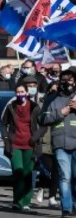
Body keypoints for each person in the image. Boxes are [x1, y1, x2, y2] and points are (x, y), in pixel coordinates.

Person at [1, 84, 47, 211]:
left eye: (22, 92)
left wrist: (35, 138)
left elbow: (44, 125)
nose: (20, 94)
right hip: (14, 144)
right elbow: (3, 124)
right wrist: (6, 139)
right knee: (18, 172)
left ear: (27, 93)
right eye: (17, 92)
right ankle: (17, 201)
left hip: (30, 145)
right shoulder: (11, 107)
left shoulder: (34, 107)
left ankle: (26, 201)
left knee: (27, 174)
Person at [39, 69, 76, 217]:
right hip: (59, 142)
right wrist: (62, 112)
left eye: (70, 80)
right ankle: (66, 208)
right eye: (63, 80)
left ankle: (73, 204)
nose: (66, 83)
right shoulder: (51, 99)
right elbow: (42, 119)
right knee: (64, 176)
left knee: (75, 176)